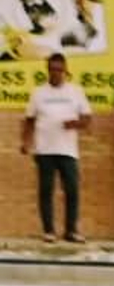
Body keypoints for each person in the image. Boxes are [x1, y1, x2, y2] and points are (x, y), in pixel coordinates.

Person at [20, 52, 91, 242]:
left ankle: (71, 231)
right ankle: (49, 231)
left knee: (72, 190)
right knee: (46, 190)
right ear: (47, 70)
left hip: (68, 150)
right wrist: (26, 142)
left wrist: (74, 124)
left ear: (65, 70)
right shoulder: (38, 92)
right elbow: (29, 120)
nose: (56, 73)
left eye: (59, 70)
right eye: (52, 69)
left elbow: (87, 118)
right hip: (45, 150)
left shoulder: (75, 91)